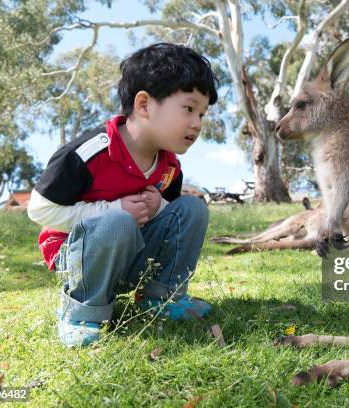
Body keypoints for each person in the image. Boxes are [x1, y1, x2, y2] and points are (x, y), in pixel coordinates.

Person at [27, 43, 218, 347]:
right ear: (144, 105)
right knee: (116, 221)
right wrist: (113, 209)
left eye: (202, 114)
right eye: (188, 108)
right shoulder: (89, 153)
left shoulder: (169, 166)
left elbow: (170, 221)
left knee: (192, 208)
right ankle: (82, 312)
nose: (197, 123)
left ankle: (161, 298)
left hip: (133, 252)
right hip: (77, 255)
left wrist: (158, 207)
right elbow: (40, 210)